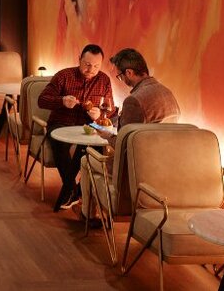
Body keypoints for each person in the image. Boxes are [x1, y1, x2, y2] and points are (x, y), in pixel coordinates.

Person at [78, 48, 180, 217]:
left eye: (120, 76)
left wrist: (107, 135)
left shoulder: (134, 100)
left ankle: (88, 214)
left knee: (86, 159)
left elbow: (124, 145)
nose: (121, 80)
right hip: (164, 169)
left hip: (136, 171)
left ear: (130, 72)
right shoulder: (168, 93)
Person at [37, 43, 112, 211]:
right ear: (79, 60)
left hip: (89, 126)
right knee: (60, 146)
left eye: (96, 66)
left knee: (93, 148)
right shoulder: (64, 76)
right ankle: (74, 190)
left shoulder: (104, 80)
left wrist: (99, 114)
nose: (91, 69)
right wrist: (61, 101)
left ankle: (83, 196)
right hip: (60, 122)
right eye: (87, 65)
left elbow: (110, 108)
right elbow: (42, 100)